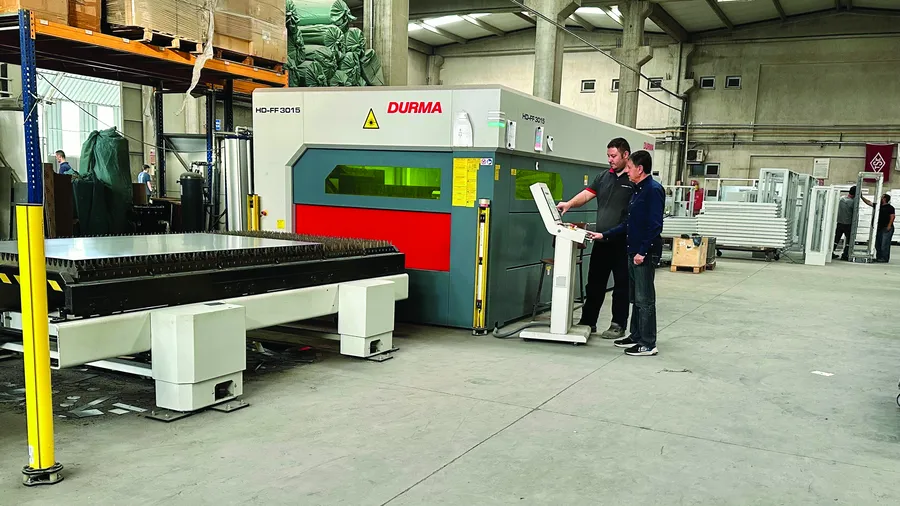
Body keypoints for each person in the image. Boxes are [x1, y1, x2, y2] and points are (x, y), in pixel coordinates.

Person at [556, 138, 634, 340]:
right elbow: (586, 194)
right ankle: (588, 321)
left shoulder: (633, 179)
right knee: (594, 284)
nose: (610, 160)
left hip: (623, 243)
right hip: (601, 241)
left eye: (614, 156)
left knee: (621, 285)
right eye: (608, 156)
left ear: (626, 155)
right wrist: (569, 204)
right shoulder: (603, 177)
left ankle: (618, 324)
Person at [591, 151, 664, 357]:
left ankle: (648, 343)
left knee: (645, 299)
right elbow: (628, 224)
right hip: (632, 251)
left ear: (640, 169)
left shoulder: (653, 190)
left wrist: (643, 251)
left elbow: (655, 226)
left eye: (630, 168)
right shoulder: (637, 190)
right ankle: (636, 335)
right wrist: (603, 235)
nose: (628, 172)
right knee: (636, 298)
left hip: (643, 254)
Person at [861, 193, 895, 262]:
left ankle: (884, 258)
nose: (880, 198)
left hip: (886, 228)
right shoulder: (878, 206)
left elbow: (892, 217)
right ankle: (879, 257)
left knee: (884, 244)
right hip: (878, 228)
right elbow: (869, 202)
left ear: (885, 199)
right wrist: (861, 197)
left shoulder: (890, 208)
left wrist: (889, 225)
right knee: (878, 244)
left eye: (882, 197)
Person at [834, 186, 856, 261]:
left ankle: (831, 252)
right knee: (849, 241)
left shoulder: (841, 199)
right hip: (848, 224)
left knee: (836, 239)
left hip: (839, 222)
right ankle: (845, 254)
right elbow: (854, 213)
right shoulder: (853, 202)